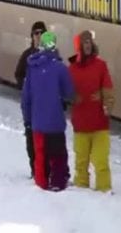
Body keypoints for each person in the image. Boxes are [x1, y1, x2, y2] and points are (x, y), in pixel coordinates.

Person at [21, 31, 74, 191]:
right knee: (58, 156)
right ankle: (57, 183)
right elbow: (69, 93)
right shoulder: (60, 68)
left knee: (40, 156)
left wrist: (28, 120)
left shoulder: (32, 68)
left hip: (37, 122)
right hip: (55, 122)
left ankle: (41, 183)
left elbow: (26, 98)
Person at [68, 30, 115, 193]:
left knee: (101, 161)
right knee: (81, 163)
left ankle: (104, 189)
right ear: (79, 46)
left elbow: (108, 88)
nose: (87, 45)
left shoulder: (101, 65)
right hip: (80, 124)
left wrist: (106, 102)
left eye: (89, 42)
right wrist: (72, 97)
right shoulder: (72, 69)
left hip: (99, 124)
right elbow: (66, 92)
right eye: (84, 42)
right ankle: (81, 188)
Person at [15, 21, 47, 178]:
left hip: (47, 106)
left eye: (42, 33)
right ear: (32, 36)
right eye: (36, 33)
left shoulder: (51, 56)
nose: (39, 36)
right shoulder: (27, 55)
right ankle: (35, 169)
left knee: (47, 138)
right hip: (31, 105)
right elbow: (18, 75)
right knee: (31, 137)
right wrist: (27, 89)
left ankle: (45, 169)